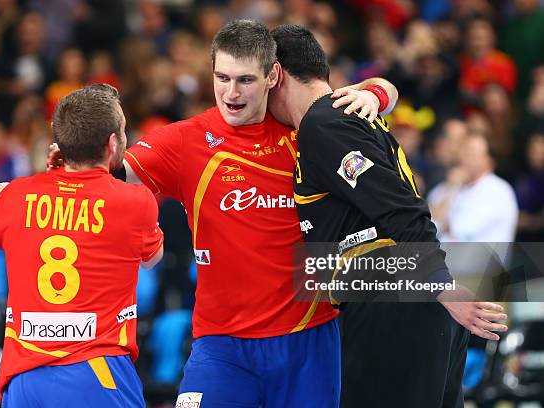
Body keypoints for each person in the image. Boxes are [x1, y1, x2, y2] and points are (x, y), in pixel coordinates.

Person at [50, 20, 399, 407]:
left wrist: (377, 94)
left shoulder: (308, 131)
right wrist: (73, 165)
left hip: (309, 337)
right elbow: (111, 174)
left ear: (273, 76)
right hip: (221, 347)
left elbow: (383, 90)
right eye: (222, 77)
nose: (231, 93)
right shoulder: (185, 140)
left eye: (245, 80)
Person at [267, 24, 508, 408]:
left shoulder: (322, 123)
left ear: (275, 74)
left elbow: (400, 207)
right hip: (409, 295)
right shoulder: (348, 113)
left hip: (392, 295)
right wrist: (381, 91)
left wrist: (440, 285)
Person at [0, 84, 163, 407]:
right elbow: (153, 257)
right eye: (122, 129)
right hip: (96, 371)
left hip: (24, 379)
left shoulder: (16, 194)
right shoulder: (136, 201)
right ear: (111, 144)